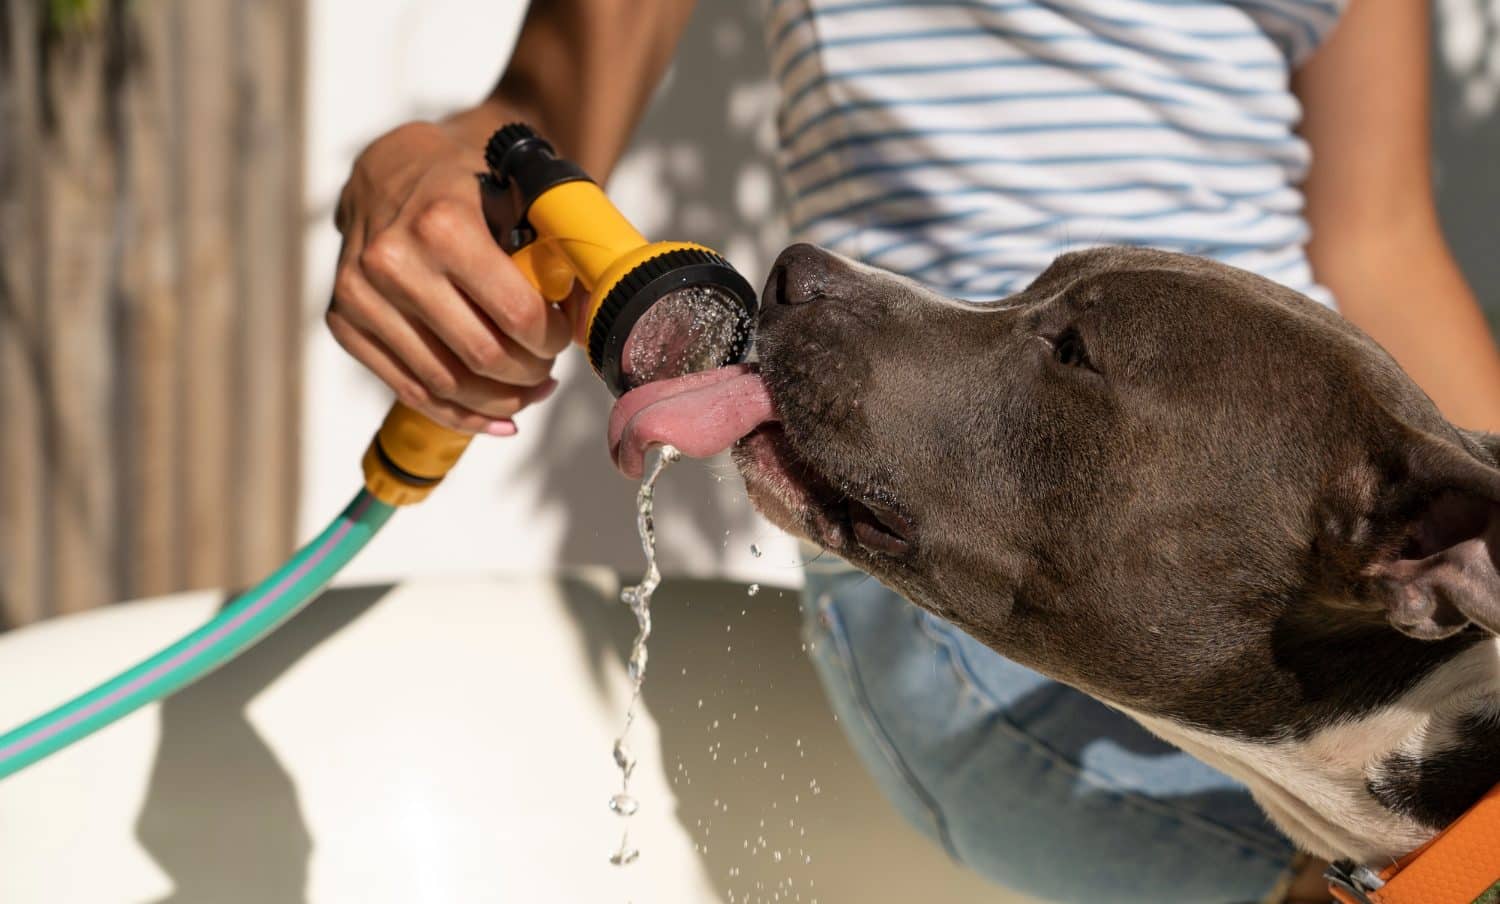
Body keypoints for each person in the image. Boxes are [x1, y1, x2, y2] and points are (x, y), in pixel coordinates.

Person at [327, 1, 1500, 901]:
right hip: (990, 555)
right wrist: (419, 172)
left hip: (1294, 544)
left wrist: (1471, 541)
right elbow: (528, 118)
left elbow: (1382, 242)